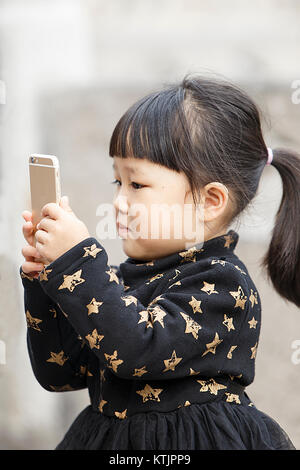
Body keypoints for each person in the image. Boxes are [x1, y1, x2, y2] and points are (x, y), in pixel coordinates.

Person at [19, 73, 299, 450]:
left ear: (210, 202)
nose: (119, 201)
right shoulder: (114, 283)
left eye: (137, 184)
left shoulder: (223, 285)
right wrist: (45, 280)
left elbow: (138, 348)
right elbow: (59, 373)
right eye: (117, 182)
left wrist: (76, 264)